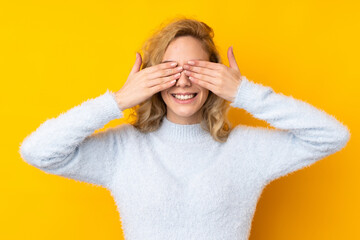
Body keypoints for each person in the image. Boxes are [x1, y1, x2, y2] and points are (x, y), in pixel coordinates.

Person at [19, 17, 351, 240]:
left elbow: (332, 135)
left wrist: (245, 93)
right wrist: (117, 101)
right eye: (169, 69)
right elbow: (36, 151)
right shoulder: (123, 149)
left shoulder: (247, 149)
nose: (183, 80)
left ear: (215, 76)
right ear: (151, 78)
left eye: (196, 68)